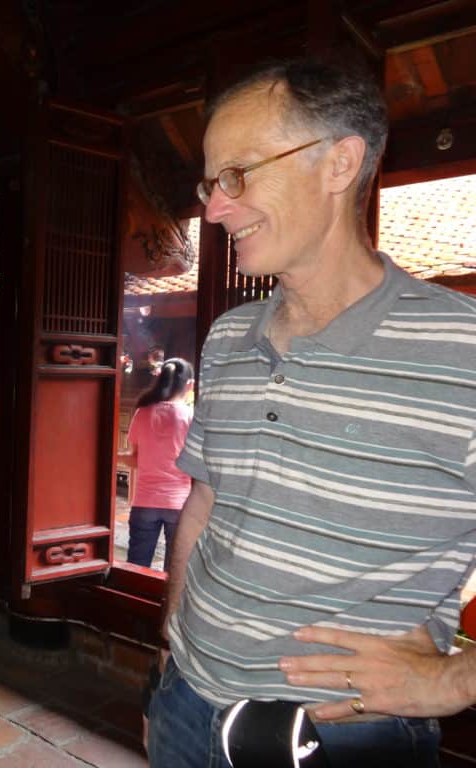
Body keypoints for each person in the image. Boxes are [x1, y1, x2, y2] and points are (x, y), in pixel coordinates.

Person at [147, 56, 476, 768]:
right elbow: (206, 501)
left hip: (344, 737)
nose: (213, 209)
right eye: (211, 183)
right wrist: (174, 640)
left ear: (340, 163)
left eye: (238, 175)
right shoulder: (230, 335)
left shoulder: (462, 349)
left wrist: (455, 679)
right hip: (186, 702)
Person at [125, 357, 194, 570]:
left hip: (145, 501)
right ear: (189, 385)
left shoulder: (142, 413)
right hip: (179, 504)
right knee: (174, 570)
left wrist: (112, 456)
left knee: (137, 566)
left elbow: (135, 458)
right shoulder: (191, 416)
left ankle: (133, 602)